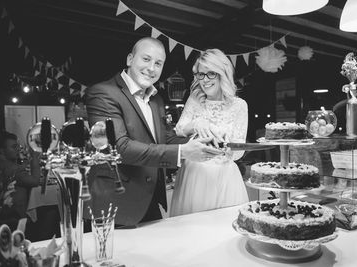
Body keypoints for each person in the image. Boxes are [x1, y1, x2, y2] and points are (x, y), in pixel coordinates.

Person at [85, 37, 223, 227]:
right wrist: (183, 153)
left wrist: (201, 142)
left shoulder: (155, 100)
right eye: (146, 59)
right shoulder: (103, 93)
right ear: (129, 59)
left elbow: (165, 138)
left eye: (158, 63)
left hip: (149, 202)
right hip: (114, 205)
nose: (151, 68)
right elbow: (118, 148)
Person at [170, 48, 249, 216]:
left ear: (223, 73)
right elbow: (179, 131)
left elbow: (240, 151)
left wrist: (228, 147)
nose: (204, 80)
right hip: (195, 174)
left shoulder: (239, 105)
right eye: (200, 74)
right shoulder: (194, 99)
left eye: (210, 74)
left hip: (225, 177)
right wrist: (196, 123)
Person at [0, 131, 41, 228]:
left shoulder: (4, 164)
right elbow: (35, 181)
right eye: (14, 147)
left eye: (18, 146)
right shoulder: (11, 169)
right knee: (50, 212)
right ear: (1, 150)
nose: (18, 149)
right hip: (13, 218)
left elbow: (19, 169)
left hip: (5, 215)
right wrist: (34, 157)